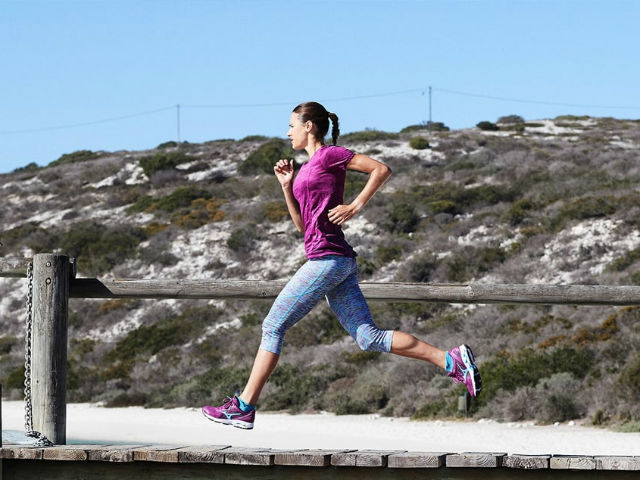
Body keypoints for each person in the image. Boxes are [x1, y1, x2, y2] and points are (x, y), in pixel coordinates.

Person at [202, 101, 481, 429]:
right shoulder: (305, 169)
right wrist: (286, 187)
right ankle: (451, 360)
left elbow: (381, 169)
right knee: (368, 337)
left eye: (292, 125)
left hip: (327, 259)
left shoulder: (330, 155)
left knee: (272, 326)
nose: (288, 132)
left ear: (309, 127)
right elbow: (302, 228)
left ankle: (244, 406)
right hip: (335, 259)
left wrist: (355, 205)